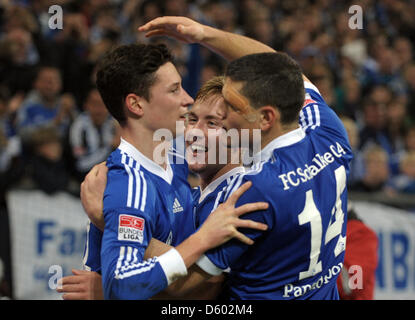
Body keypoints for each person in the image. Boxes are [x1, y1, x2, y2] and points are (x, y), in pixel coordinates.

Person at [78, 16, 353, 300]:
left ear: (265, 117)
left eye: (224, 115)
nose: (196, 129)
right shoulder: (327, 131)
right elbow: (284, 72)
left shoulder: (248, 193)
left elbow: (200, 291)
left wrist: (110, 228)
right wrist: (204, 34)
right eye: (193, 118)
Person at [63, 42, 268, 300]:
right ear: (136, 105)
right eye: (174, 90)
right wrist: (202, 239)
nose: (188, 99)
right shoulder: (128, 186)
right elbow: (121, 286)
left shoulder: (174, 160)